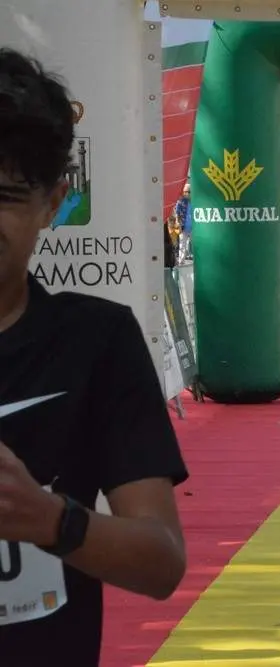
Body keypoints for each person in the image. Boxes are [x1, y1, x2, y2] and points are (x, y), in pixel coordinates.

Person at [0, 49, 189, 666]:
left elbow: (161, 561)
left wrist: (49, 518)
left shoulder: (95, 340)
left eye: (4, 195)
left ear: (53, 203)